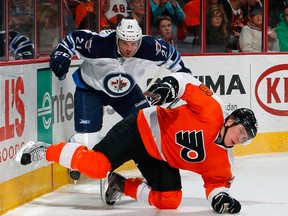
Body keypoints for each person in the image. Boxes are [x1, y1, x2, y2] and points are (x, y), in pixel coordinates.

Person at [16, 72, 258, 214]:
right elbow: (185, 82)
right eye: (240, 130)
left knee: (169, 201)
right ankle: (45, 150)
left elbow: (216, 184)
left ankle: (120, 185)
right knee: (98, 166)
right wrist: (168, 87)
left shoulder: (224, 161)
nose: (240, 138)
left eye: (245, 137)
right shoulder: (212, 109)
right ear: (230, 120)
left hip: (159, 157)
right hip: (140, 129)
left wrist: (220, 199)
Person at [49, 18, 191, 180]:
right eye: (124, 43)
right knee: (88, 142)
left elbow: (176, 61)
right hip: (91, 89)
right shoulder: (99, 44)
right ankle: (76, 148)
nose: (129, 48)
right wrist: (62, 53)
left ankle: (155, 174)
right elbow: (74, 39)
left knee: (150, 126)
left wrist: (183, 81)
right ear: (117, 38)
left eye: (133, 43)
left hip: (126, 90)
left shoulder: (151, 48)